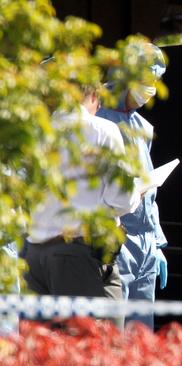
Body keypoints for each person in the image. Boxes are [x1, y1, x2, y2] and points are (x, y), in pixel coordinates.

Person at [23, 86, 140, 328]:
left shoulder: (34, 132)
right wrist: (138, 192)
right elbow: (123, 199)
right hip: (79, 253)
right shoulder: (103, 130)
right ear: (94, 95)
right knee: (94, 347)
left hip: (35, 255)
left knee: (44, 351)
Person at [97, 42, 168, 328]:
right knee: (113, 329)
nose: (150, 87)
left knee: (141, 333)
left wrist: (157, 242)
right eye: (146, 80)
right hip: (115, 233)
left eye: (155, 81)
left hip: (145, 242)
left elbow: (149, 192)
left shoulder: (142, 127)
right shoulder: (97, 121)